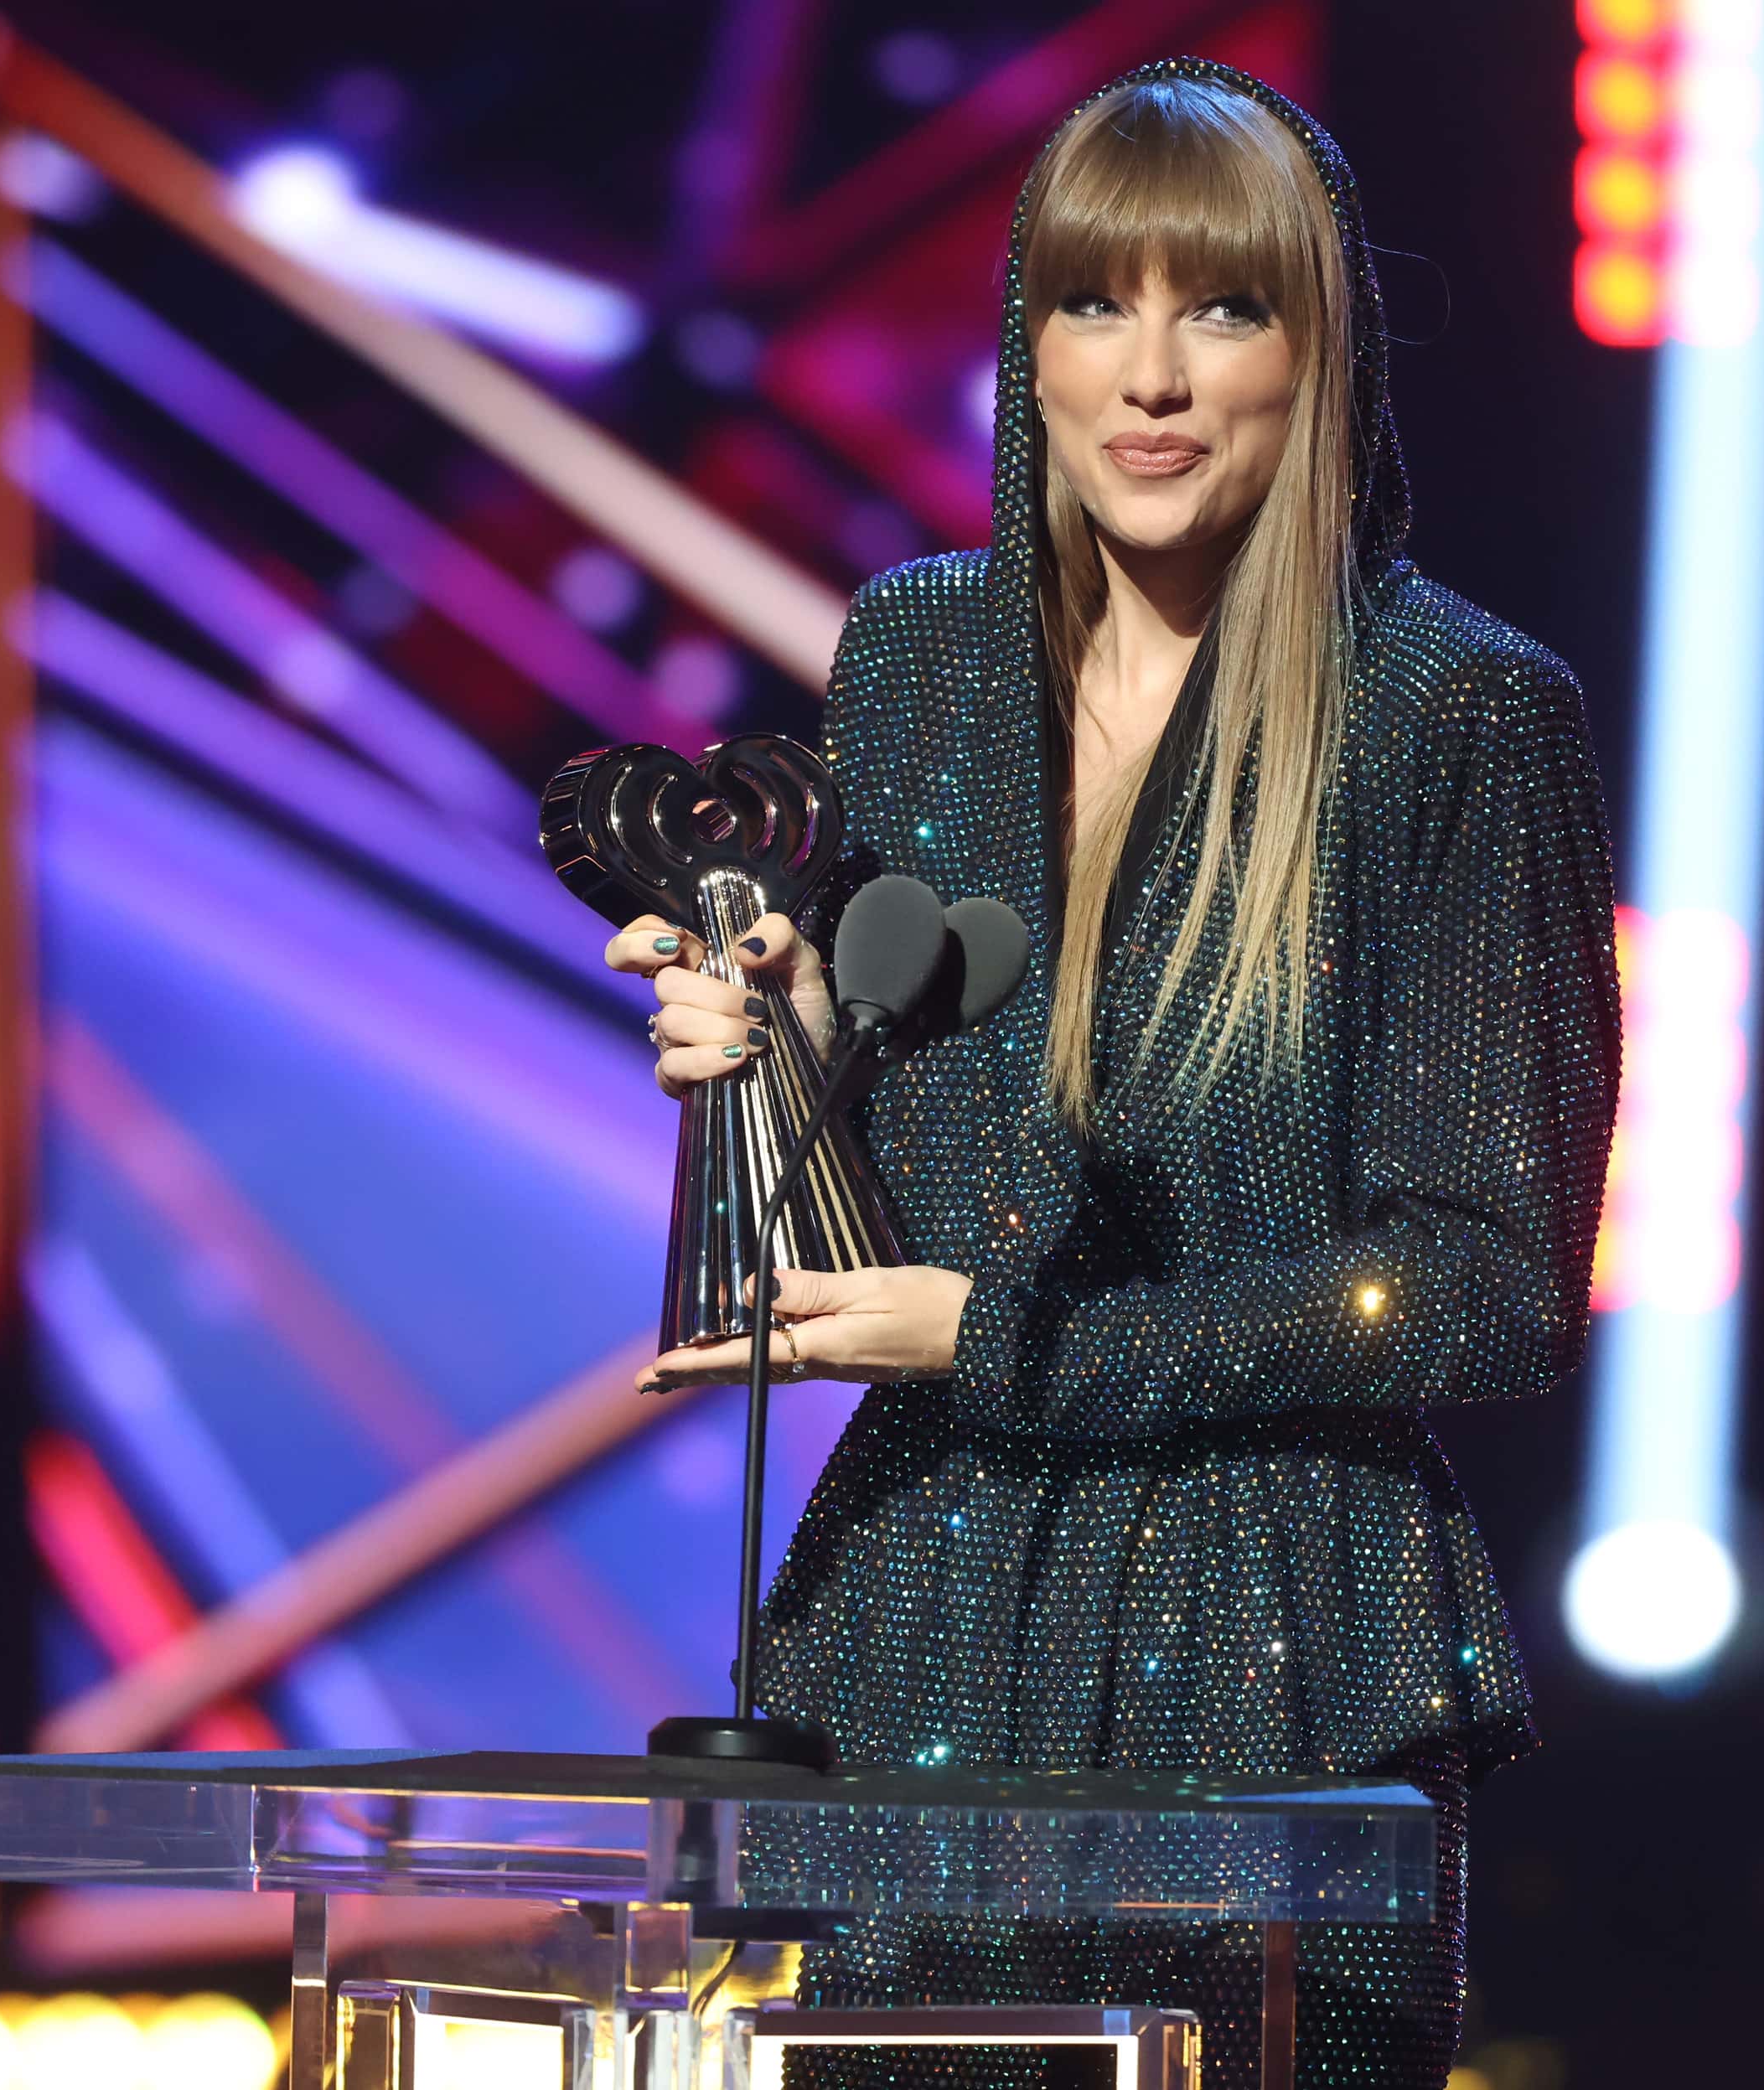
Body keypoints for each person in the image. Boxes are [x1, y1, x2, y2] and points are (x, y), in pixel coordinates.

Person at [607, 58, 1622, 2090]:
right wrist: (777, 1057)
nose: (1151, 377)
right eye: (1096, 306)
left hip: (1273, 1654)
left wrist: (1016, 1340)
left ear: (1315, 352)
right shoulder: (916, 658)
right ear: (1027, 348)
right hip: (924, 1619)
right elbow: (928, 1145)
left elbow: (1485, 1279)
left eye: (1222, 310)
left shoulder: (1457, 717)